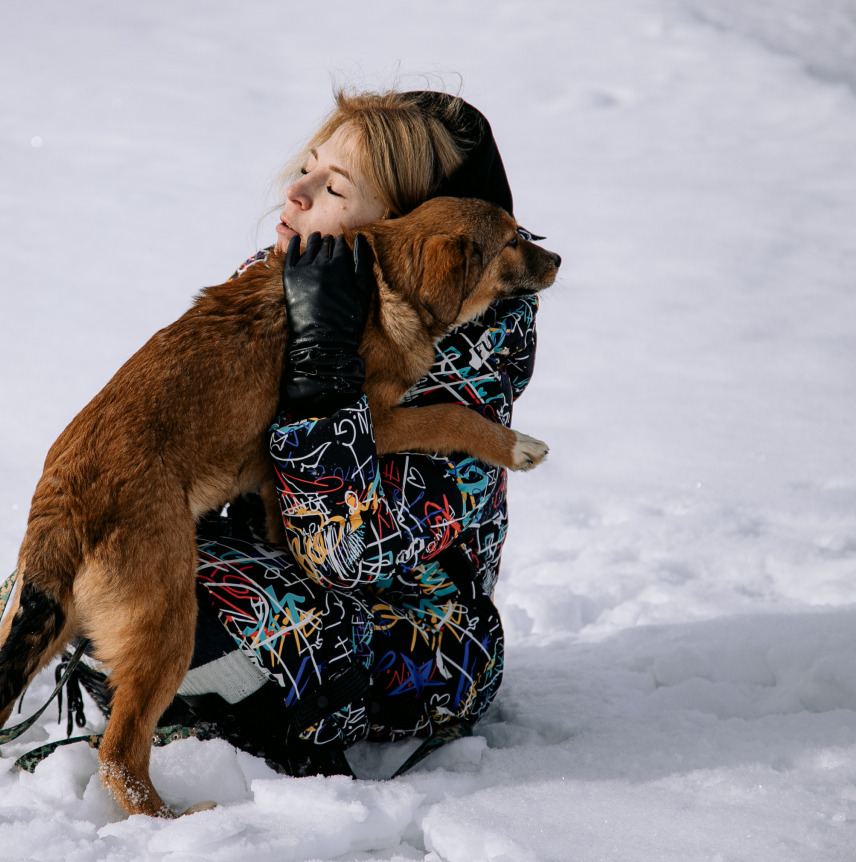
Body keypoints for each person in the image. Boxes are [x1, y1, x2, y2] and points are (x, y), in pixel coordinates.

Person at [50, 88, 539, 778]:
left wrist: (324, 374)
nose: (296, 190)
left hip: (409, 643)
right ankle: (164, 706)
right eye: (307, 166)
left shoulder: (464, 365)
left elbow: (345, 555)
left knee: (189, 617)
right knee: (68, 571)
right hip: (270, 571)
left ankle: (209, 735)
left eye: (333, 187)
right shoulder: (292, 282)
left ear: (408, 230)